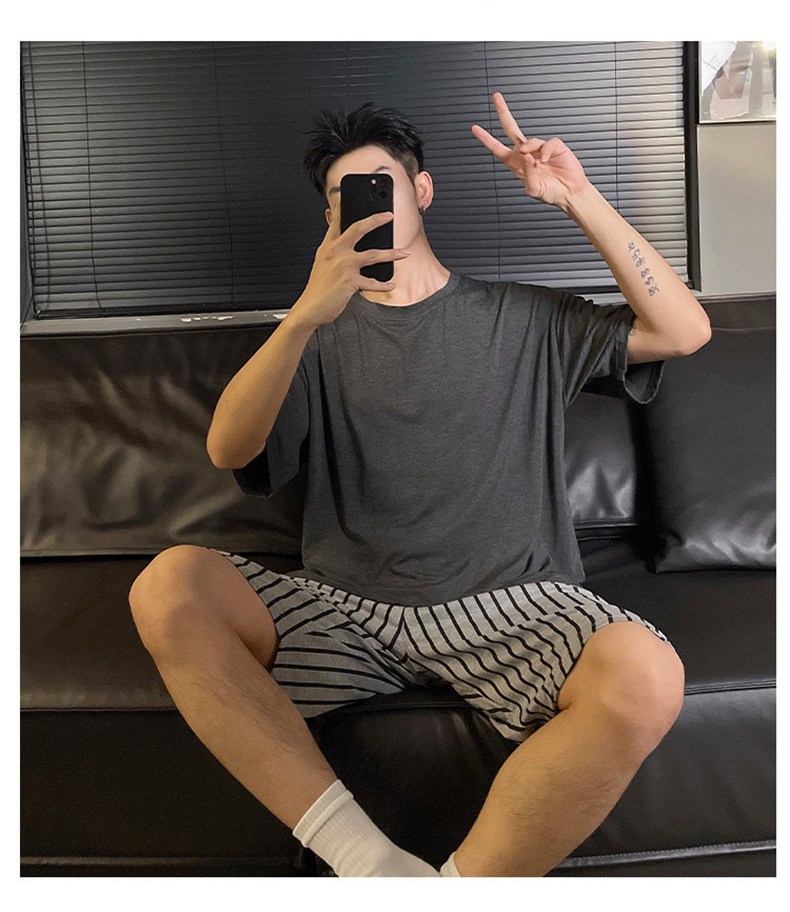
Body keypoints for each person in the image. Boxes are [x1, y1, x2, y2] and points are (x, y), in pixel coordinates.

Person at [128, 94, 711, 877]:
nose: (369, 207)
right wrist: (301, 317)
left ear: (423, 190)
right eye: (347, 197)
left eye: (384, 186)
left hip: (515, 604)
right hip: (347, 611)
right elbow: (229, 447)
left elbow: (684, 330)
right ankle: (370, 867)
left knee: (649, 673)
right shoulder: (313, 336)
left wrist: (577, 195)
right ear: (330, 220)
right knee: (167, 585)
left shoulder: (523, 317)